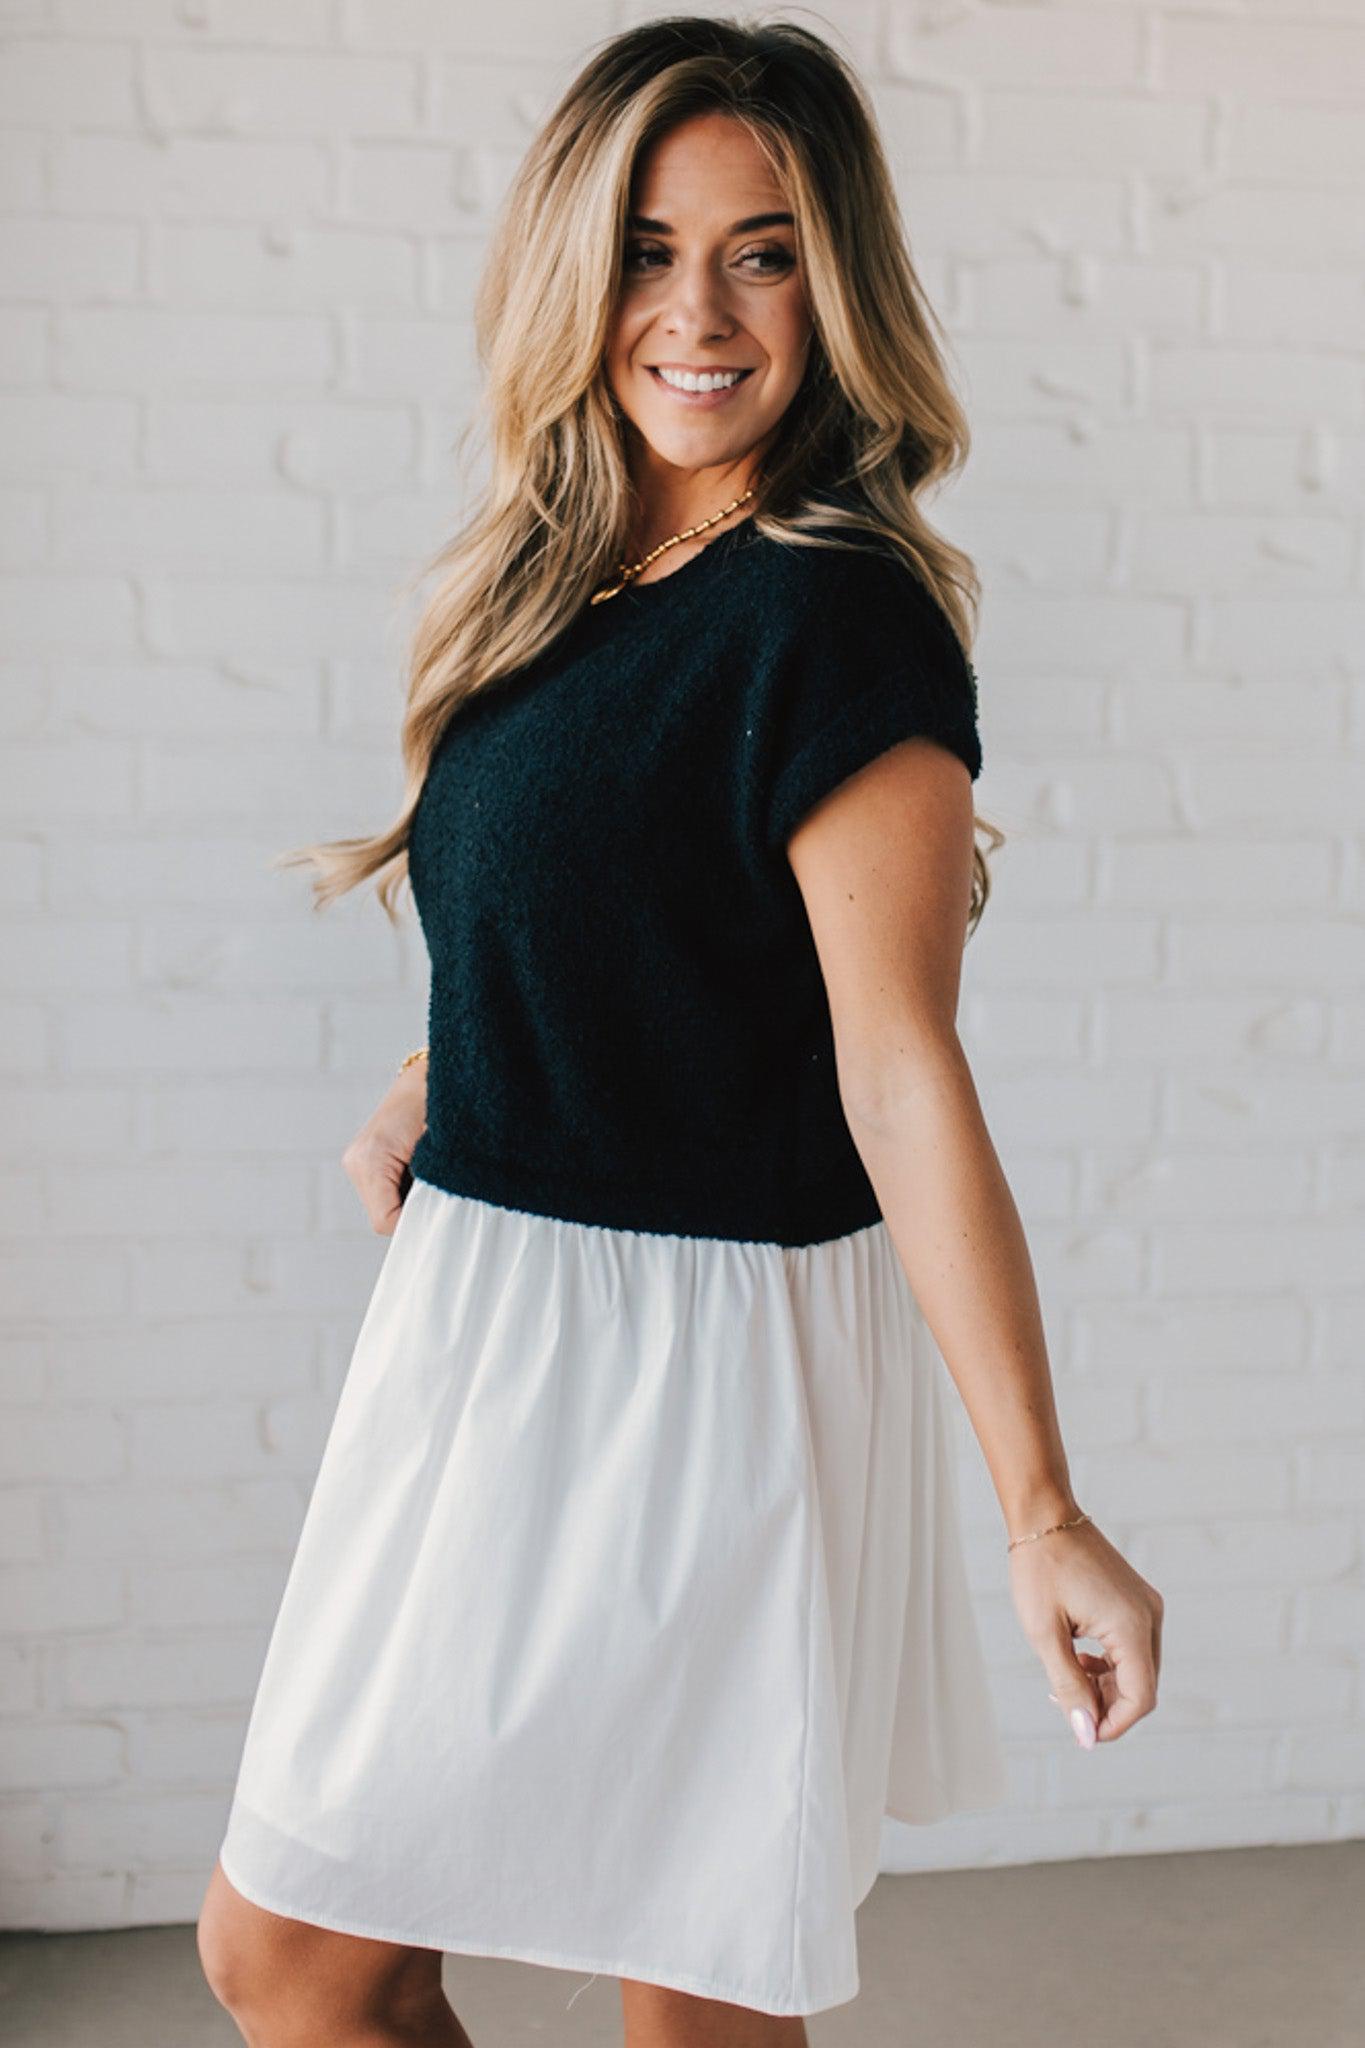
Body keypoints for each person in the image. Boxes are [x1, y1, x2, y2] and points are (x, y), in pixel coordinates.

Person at [196, 17, 1163, 2046]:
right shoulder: (566, 574)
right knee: (296, 1958)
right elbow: (609, 915)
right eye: (647, 249)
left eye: (762, 251)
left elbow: (895, 1067)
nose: (698, 314)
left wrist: (1040, 1507)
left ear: (837, 281)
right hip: (487, 1334)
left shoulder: (833, 614)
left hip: (699, 1370)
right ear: (572, 265)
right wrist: (438, 1076)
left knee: (685, 1996)